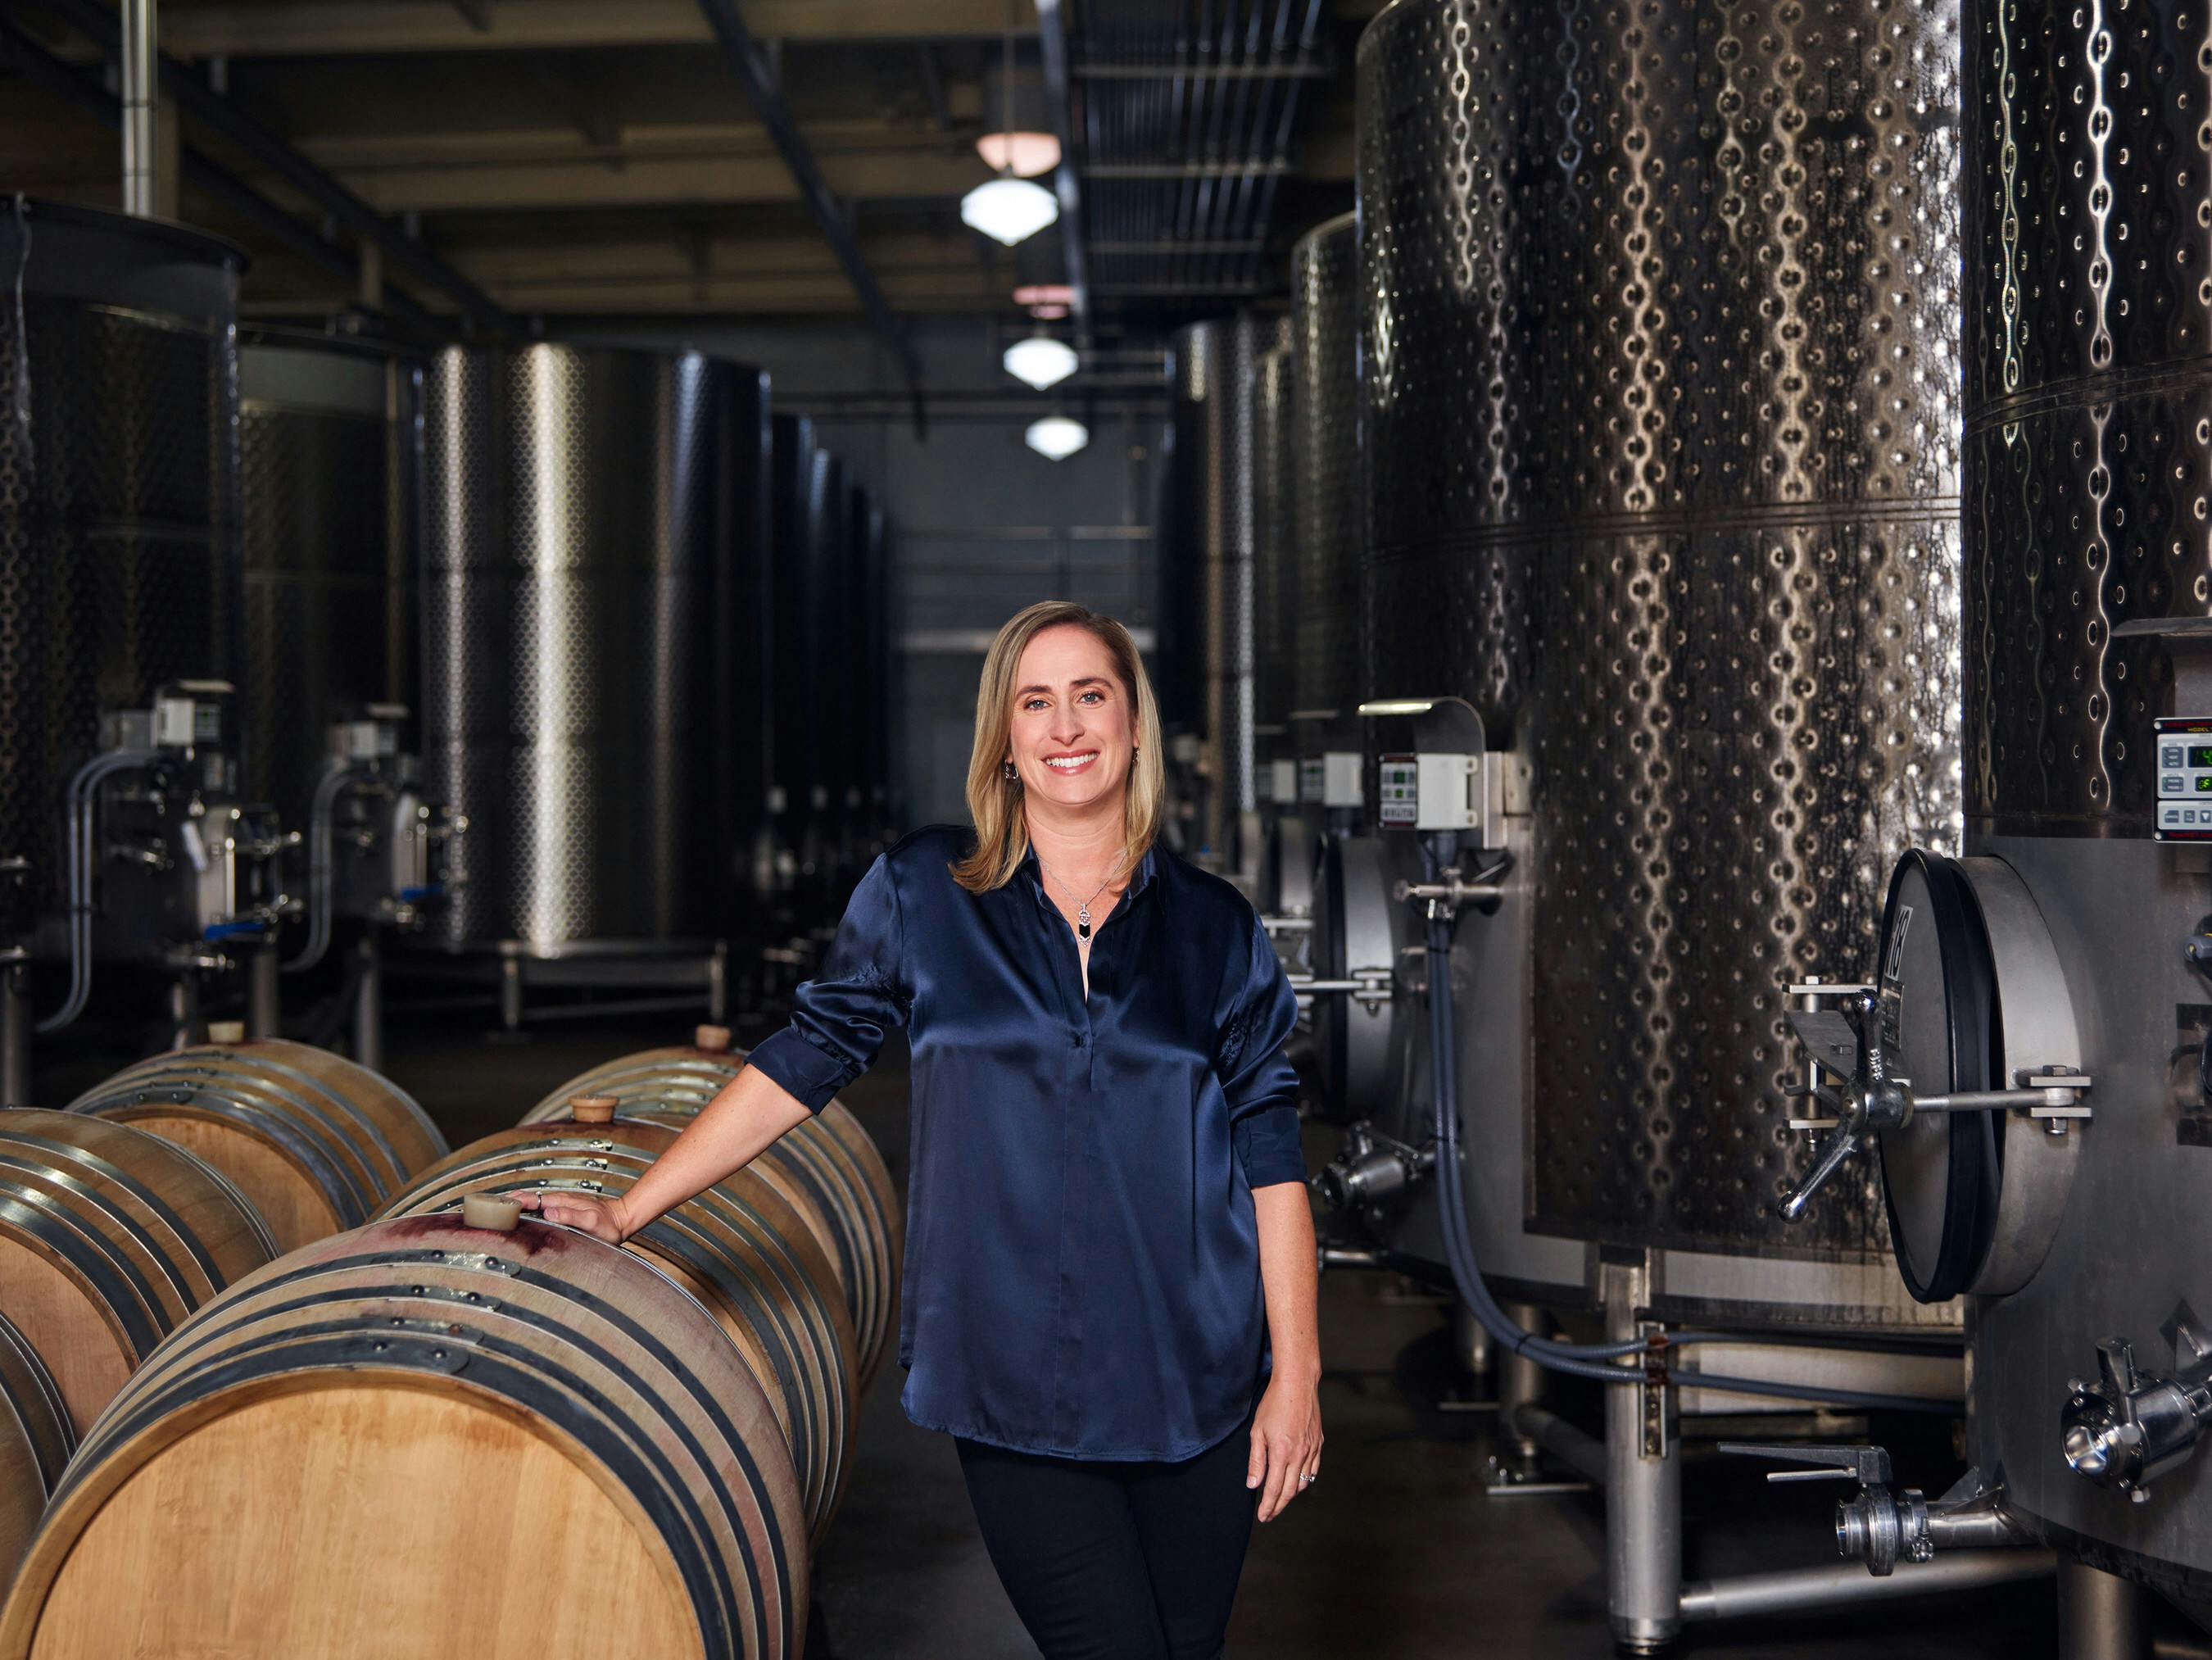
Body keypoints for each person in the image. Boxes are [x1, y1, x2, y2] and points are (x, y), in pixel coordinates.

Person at [514, 599, 1321, 1660]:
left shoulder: (1216, 926)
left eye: (1092, 696)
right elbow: (805, 1059)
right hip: (1016, 1382)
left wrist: (1296, 1375)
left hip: (1201, 1390)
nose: (1067, 726)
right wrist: (626, 1207)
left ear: (1134, 726)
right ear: (1006, 738)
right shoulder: (926, 893)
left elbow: (1271, 1157)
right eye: (1037, 702)